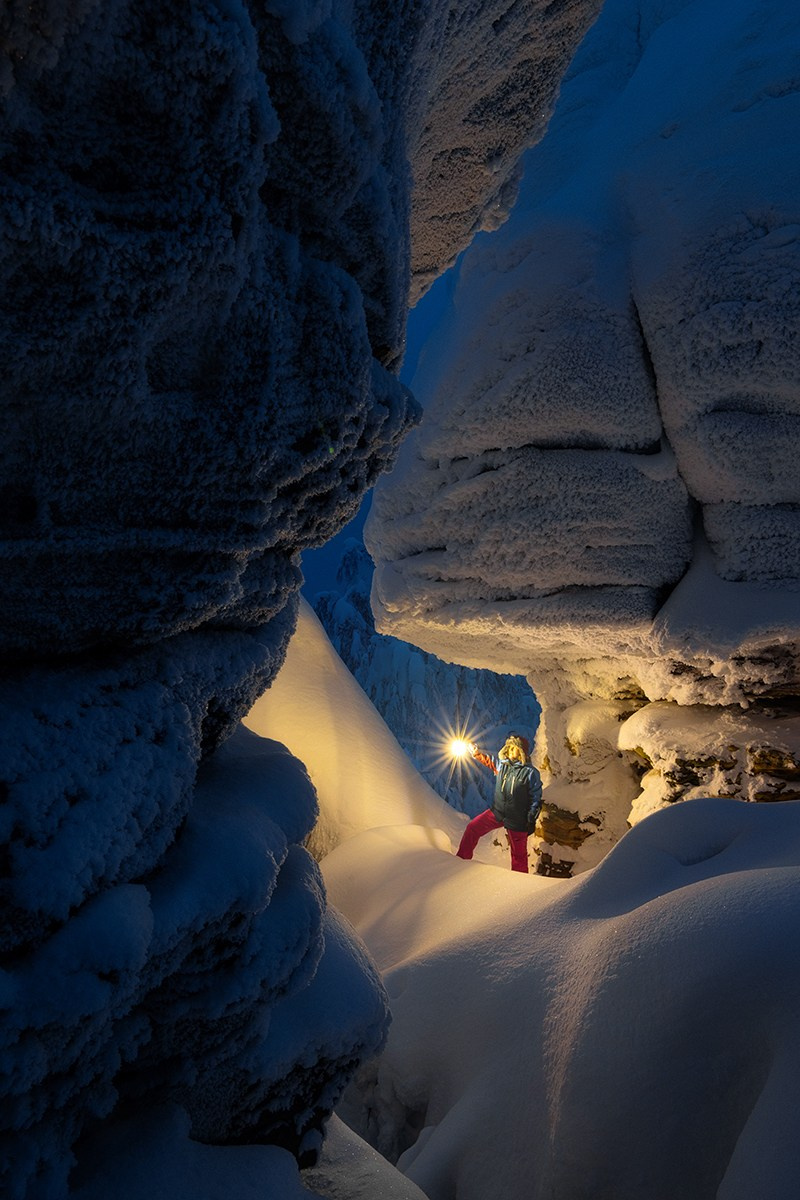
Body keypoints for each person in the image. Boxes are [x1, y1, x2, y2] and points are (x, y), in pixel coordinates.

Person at [456, 733, 542, 874]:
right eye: (509, 746)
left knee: (518, 856)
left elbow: (536, 797)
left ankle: (520, 886)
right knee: (472, 828)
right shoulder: (502, 766)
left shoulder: (530, 773)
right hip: (497, 813)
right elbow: (488, 761)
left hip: (517, 819)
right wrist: (475, 752)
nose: (510, 749)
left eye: (513, 747)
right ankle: (460, 861)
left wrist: (530, 818)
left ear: (521, 751)